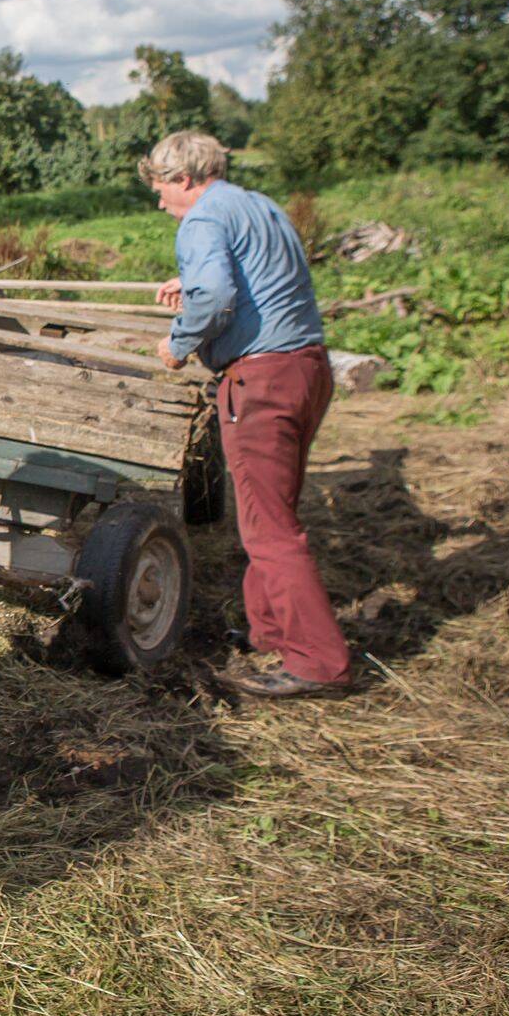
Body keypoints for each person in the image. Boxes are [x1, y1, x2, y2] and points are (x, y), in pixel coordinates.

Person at [142, 130, 353, 698]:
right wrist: (193, 283)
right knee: (269, 514)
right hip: (306, 367)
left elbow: (213, 297)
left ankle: (317, 662)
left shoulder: (202, 220)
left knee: (270, 528)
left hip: (260, 380)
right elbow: (264, 282)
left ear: (184, 178)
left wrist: (178, 342)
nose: (159, 200)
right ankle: (271, 634)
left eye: (161, 186)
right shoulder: (260, 206)